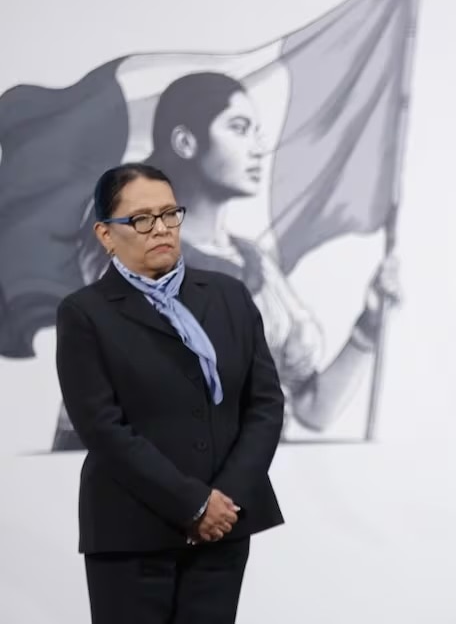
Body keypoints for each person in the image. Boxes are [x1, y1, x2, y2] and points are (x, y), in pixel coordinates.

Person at [52, 71, 399, 450]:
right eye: (239, 128)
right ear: (186, 142)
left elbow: (313, 409)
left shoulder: (259, 266)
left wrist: (369, 325)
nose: (257, 148)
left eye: (256, 130)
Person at [55, 162, 285, 623]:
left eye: (169, 214)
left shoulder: (229, 296)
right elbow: (103, 429)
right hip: (131, 531)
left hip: (223, 529)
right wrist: (193, 503)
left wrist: (226, 499)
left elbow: (264, 405)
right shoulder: (85, 314)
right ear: (105, 234)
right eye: (141, 219)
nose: (160, 229)